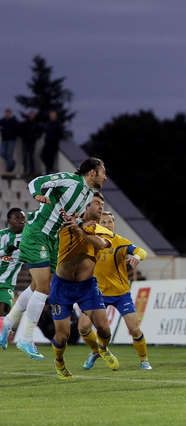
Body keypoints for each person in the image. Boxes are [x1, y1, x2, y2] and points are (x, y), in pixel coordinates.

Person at [0, 157, 106, 359]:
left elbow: (70, 215)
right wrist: (38, 195)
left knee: (35, 286)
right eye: (103, 172)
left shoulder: (87, 195)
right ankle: (26, 338)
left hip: (52, 238)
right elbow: (35, 182)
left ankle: (7, 324)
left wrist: (76, 222)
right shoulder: (70, 180)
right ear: (92, 172)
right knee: (44, 288)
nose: (105, 177)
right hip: (37, 233)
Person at [50, 191, 119, 379]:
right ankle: (59, 362)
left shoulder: (103, 230)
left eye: (102, 204)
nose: (100, 206)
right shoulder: (66, 223)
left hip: (87, 287)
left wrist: (81, 230)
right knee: (62, 336)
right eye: (96, 203)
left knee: (104, 328)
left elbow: (103, 245)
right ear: (86, 206)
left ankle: (102, 349)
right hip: (61, 287)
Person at [78, 210, 151, 370]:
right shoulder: (90, 242)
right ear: (97, 225)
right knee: (83, 327)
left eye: (109, 222)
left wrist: (137, 257)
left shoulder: (120, 242)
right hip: (97, 294)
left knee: (134, 329)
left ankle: (144, 359)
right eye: (103, 222)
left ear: (114, 224)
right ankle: (96, 351)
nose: (106, 224)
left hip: (120, 294)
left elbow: (141, 251)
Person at [0, 208, 26, 341]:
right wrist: (6, 250)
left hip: (7, 283)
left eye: (22, 219)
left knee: (3, 312)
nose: (21, 221)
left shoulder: (28, 237)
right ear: (9, 220)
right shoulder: (2, 235)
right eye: (17, 219)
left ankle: (2, 337)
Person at [19, 110, 43, 178]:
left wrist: (35, 137)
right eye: (31, 114)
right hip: (25, 142)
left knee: (31, 156)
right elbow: (20, 131)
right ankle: (25, 169)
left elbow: (40, 132)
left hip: (32, 142)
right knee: (25, 156)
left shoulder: (36, 124)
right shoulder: (25, 123)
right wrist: (24, 136)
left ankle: (32, 170)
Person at [0, 108, 21, 177]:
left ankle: (9, 168)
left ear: (10, 113)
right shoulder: (3, 121)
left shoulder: (14, 121)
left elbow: (18, 129)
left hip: (11, 139)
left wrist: (13, 134)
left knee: (9, 153)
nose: (7, 114)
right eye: (6, 113)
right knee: (2, 152)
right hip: (4, 139)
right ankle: (11, 162)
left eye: (8, 113)